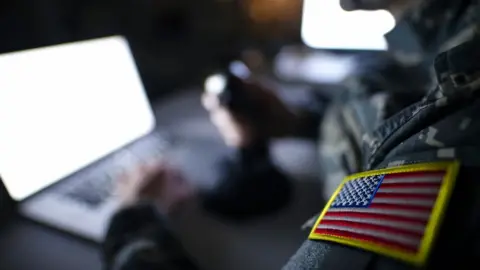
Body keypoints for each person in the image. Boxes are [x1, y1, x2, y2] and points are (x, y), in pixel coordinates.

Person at [103, 0, 480, 269]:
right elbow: (414, 98)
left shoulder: (464, 109)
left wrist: (134, 224)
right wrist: (299, 122)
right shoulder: (446, 34)